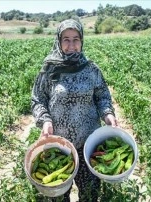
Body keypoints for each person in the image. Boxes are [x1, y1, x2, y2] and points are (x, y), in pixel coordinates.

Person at [31, 19, 117, 202]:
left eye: (76, 39)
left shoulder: (91, 69)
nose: (71, 45)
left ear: (82, 40)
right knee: (59, 195)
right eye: (66, 39)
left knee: (90, 193)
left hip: (89, 145)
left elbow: (102, 96)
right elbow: (38, 99)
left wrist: (108, 114)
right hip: (59, 146)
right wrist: (45, 120)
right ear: (59, 41)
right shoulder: (49, 69)